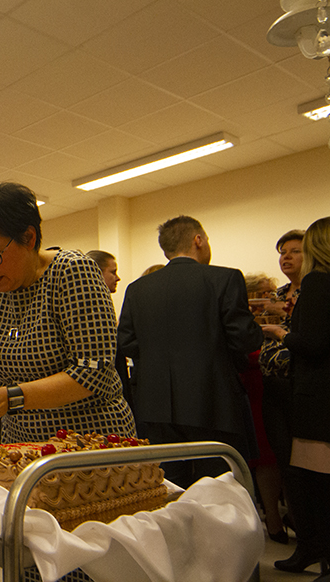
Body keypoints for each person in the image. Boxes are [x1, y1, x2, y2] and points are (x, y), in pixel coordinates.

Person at [0, 182, 134, 443]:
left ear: (29, 238)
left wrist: (11, 397)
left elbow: (92, 372)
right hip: (20, 442)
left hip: (88, 439)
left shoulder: (73, 272)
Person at [117, 215, 262, 489]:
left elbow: (126, 342)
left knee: (170, 489)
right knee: (221, 489)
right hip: (213, 400)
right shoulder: (225, 278)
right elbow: (244, 339)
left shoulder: (138, 289)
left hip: (155, 403)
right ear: (198, 240)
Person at [263, 218, 330, 578]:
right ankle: (310, 546)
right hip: (287, 393)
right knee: (299, 474)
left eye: (295, 251)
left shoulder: (318, 283)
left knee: (314, 480)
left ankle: (318, 549)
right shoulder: (278, 293)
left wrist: (280, 332)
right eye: (282, 253)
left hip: (310, 394)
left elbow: (314, 342)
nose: (287, 258)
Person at [241, 274, 287, 544]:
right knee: (266, 457)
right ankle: (273, 517)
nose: (268, 299)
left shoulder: (283, 317)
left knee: (285, 456)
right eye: (263, 293)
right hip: (256, 391)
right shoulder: (246, 322)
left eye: (271, 293)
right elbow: (244, 355)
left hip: (282, 390)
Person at [87, 249, 133, 414]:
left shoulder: (104, 304)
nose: (118, 278)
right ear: (96, 273)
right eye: (113, 272)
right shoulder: (90, 310)